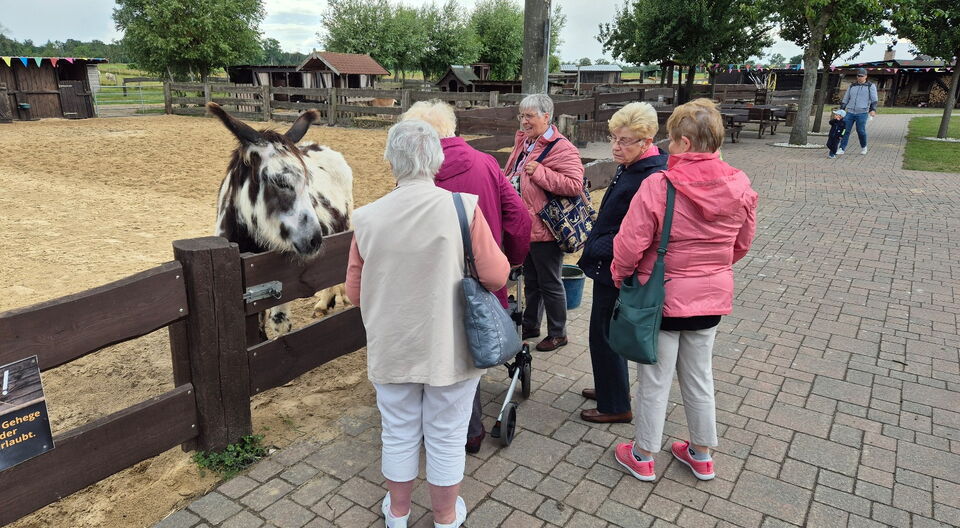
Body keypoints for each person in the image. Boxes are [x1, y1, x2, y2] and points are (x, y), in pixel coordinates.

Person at [345, 119, 510, 528]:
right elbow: (496, 276)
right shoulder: (463, 208)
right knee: (447, 433)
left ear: (391, 161)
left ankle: (398, 513)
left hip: (393, 344)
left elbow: (354, 293)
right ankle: (445, 516)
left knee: (397, 430)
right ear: (436, 161)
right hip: (450, 345)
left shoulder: (366, 218)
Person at [610, 98, 757, 482]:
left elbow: (629, 244)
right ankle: (701, 454)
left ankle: (643, 454)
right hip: (711, 299)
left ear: (686, 143)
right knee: (699, 376)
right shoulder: (740, 183)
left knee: (654, 380)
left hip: (661, 299)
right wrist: (713, 269)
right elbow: (742, 243)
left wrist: (620, 276)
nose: (668, 147)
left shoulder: (660, 185)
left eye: (672, 140)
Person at [400, 100, 532, 453]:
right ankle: (467, 430)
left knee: (438, 350)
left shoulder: (413, 175)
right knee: (468, 350)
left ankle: (450, 427)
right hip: (482, 280)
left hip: (430, 284)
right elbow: (519, 218)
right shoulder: (485, 163)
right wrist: (510, 261)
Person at [577, 102, 668, 424]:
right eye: (614, 138)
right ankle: (611, 389)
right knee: (603, 332)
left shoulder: (650, 175)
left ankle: (615, 405)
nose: (616, 146)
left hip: (618, 265)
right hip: (611, 259)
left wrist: (603, 249)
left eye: (624, 140)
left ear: (647, 141)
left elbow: (638, 232)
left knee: (606, 334)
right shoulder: (632, 166)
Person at [503, 93, 585, 352]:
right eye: (521, 115)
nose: (524, 121)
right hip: (526, 225)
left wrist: (541, 173)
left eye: (529, 116)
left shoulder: (561, 147)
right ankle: (531, 324)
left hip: (547, 228)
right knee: (532, 279)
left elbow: (575, 185)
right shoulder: (524, 142)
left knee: (550, 282)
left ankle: (559, 333)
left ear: (546, 117)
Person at [838, 68, 878, 155]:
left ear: (866, 76)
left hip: (862, 112)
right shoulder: (852, 86)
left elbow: (874, 99)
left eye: (862, 76)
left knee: (860, 131)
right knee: (845, 130)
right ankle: (841, 148)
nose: (860, 77)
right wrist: (841, 109)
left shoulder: (870, 86)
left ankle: (864, 147)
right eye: (858, 76)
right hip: (850, 112)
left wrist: (873, 110)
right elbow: (846, 98)